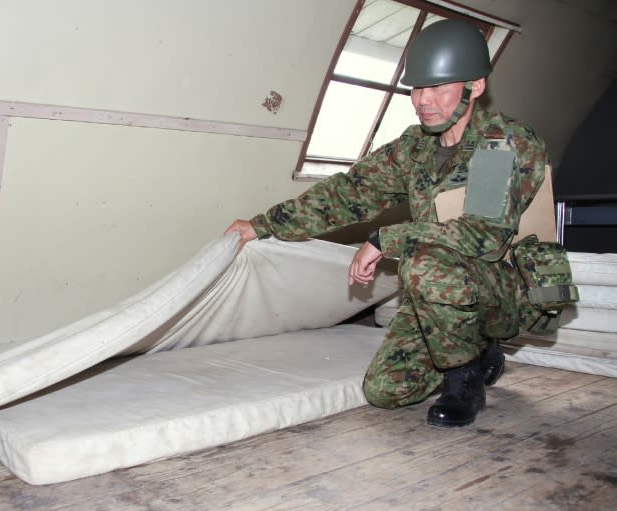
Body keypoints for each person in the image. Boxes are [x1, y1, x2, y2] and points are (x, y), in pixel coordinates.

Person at [225, 19, 549, 428]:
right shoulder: (415, 147)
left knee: (426, 263)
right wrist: (261, 225)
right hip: (444, 291)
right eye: (417, 88)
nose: (422, 101)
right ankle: (481, 349)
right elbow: (347, 194)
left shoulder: (501, 144)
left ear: (475, 87)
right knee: (386, 390)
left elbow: (481, 235)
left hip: (502, 288)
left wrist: (384, 239)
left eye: (438, 88)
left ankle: (465, 381)